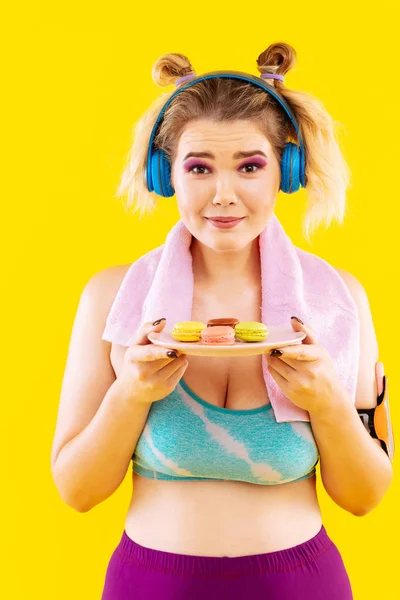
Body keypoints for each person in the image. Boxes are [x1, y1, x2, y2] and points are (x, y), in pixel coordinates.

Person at [51, 42, 394, 599]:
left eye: (250, 166)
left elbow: (365, 497)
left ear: (286, 169)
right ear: (167, 175)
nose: (224, 195)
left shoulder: (339, 301)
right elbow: (77, 491)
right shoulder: (112, 298)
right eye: (199, 167)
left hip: (301, 586)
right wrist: (130, 394)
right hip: (150, 585)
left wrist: (329, 402)